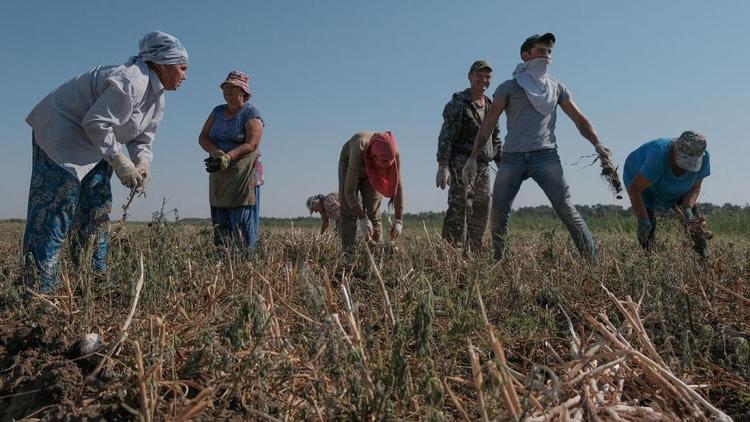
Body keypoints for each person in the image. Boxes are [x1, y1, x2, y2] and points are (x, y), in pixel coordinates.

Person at [23, 31, 189, 292]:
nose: (185, 75)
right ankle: (39, 287)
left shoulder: (158, 98)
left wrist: (142, 163)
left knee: (97, 206)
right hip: (63, 132)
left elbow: (142, 138)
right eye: (182, 68)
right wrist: (120, 162)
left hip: (96, 142)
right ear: (164, 64)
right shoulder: (132, 80)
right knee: (57, 206)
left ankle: (93, 278)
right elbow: (96, 122)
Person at [463, 33, 612, 260]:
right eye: (541, 51)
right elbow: (488, 124)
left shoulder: (557, 88)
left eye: (549, 52)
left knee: (565, 207)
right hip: (512, 157)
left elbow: (579, 119)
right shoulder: (509, 87)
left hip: (546, 156)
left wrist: (597, 143)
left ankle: (593, 262)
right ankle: (500, 261)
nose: (546, 56)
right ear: (526, 56)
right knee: (499, 211)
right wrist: (473, 157)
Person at [436, 60, 501, 251]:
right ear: (470, 76)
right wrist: (443, 165)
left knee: (481, 209)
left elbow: (495, 138)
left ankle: (474, 252)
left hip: (483, 165)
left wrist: (502, 164)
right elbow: (446, 135)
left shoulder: (491, 106)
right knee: (459, 208)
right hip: (461, 163)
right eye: (479, 75)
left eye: (488, 76)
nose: (484, 80)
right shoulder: (459, 104)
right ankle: (450, 252)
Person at [199, 71, 265, 252]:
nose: (227, 90)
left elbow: (252, 144)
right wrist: (215, 151)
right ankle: (224, 256)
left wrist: (229, 157)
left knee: (241, 216)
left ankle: (246, 257)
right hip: (220, 171)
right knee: (221, 216)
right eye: (225, 87)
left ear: (243, 91)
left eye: (232, 87)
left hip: (243, 172)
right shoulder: (218, 111)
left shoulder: (251, 113)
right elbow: (203, 137)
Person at [623, 131, 711, 257]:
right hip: (642, 183)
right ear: (674, 149)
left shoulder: (704, 158)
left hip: (676, 189)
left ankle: (703, 258)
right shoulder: (657, 157)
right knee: (648, 226)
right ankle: (649, 259)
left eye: (690, 165)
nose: (684, 170)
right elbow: (635, 190)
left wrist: (687, 208)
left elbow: (695, 187)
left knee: (694, 223)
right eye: (682, 163)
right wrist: (643, 219)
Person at [338, 131, 404, 252]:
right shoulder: (359, 149)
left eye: (388, 164)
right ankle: (349, 254)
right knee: (348, 213)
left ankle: (377, 253)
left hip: (372, 170)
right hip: (350, 163)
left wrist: (399, 220)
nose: (385, 167)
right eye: (383, 163)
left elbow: (398, 187)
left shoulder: (394, 155)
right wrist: (362, 218)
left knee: (373, 212)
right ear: (374, 156)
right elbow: (349, 192)